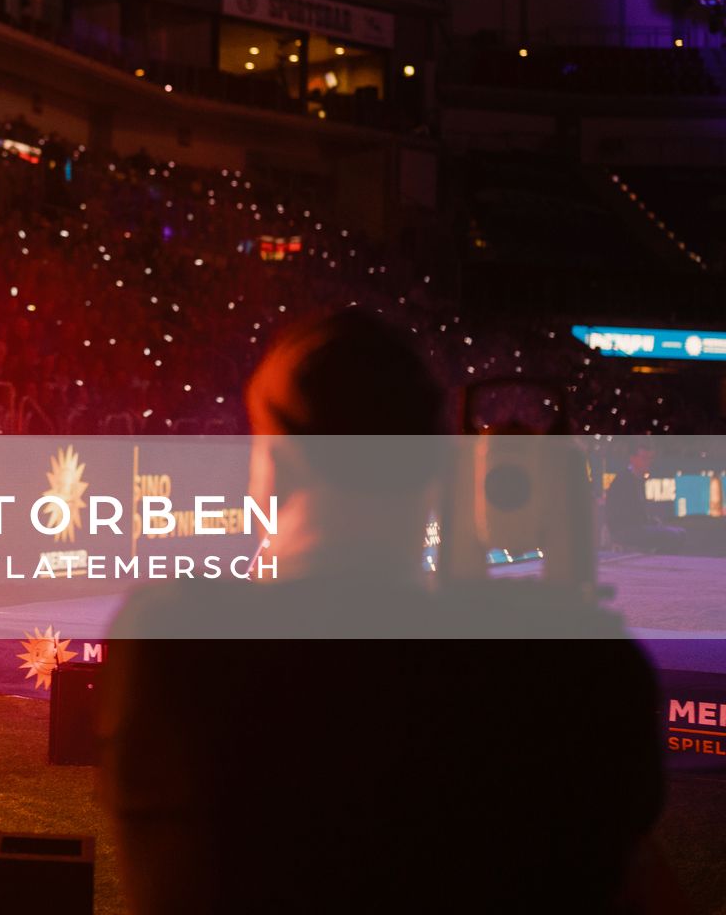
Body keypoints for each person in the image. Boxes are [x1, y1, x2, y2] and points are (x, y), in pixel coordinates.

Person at [95, 311, 667, 914]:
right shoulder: (576, 671)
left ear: (276, 463)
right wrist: (569, 602)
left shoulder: (173, 644)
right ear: (440, 464)